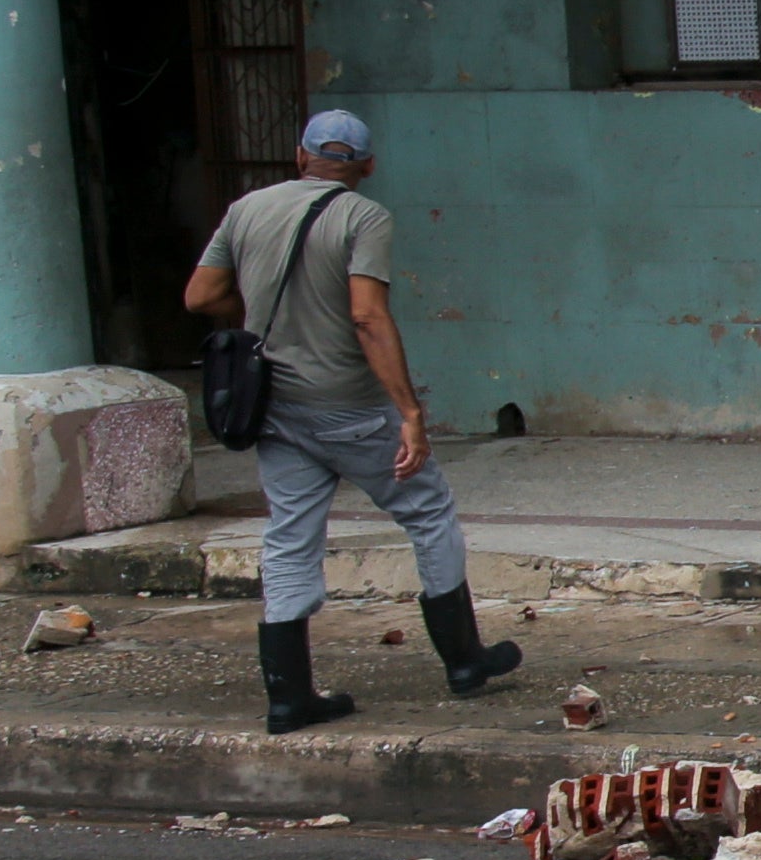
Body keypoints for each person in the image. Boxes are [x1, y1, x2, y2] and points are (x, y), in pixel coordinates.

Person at [183, 108, 521, 730]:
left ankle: (288, 697)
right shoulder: (363, 216)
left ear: (299, 156)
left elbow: (200, 297)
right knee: (428, 512)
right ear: (367, 165)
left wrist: (254, 309)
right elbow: (367, 316)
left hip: (275, 409)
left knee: (289, 538)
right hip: (348, 407)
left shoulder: (247, 209)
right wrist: (410, 412)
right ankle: (464, 660)